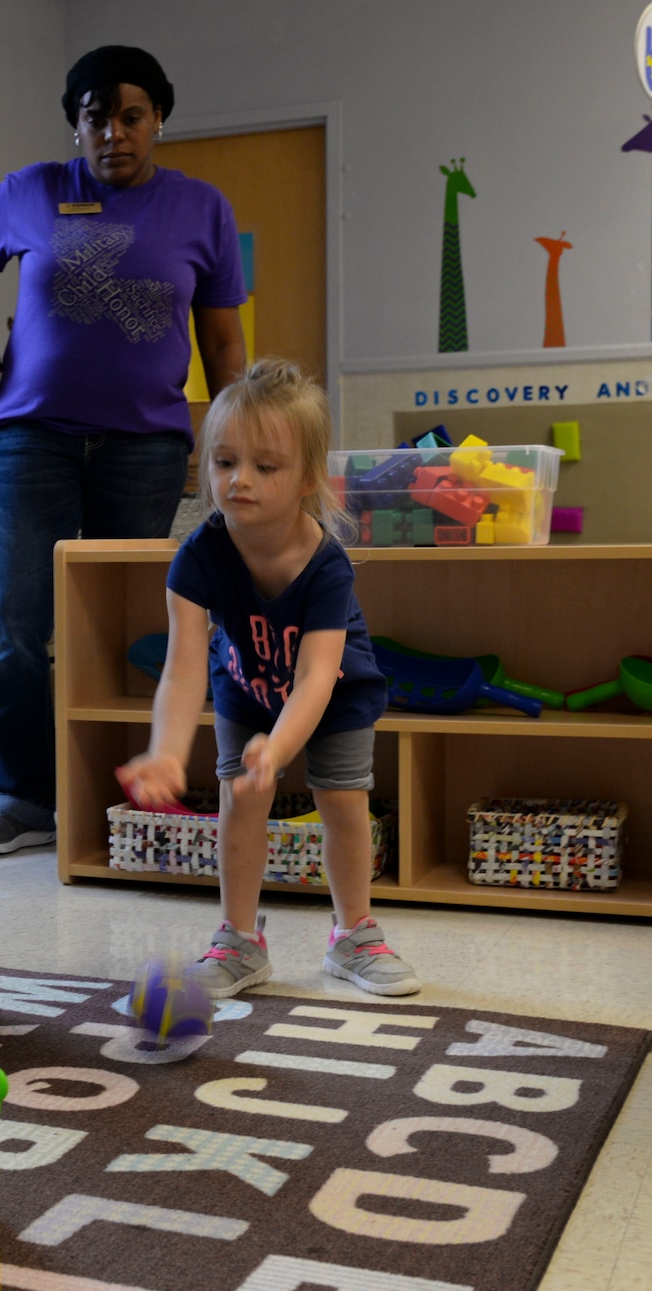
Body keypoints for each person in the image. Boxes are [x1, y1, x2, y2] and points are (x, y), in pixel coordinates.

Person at [0, 44, 248, 856]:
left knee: (125, 622)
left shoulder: (202, 209)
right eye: (95, 117)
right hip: (31, 439)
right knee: (16, 624)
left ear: (158, 120)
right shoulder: (30, 191)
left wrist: (238, 443)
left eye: (130, 116)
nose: (113, 132)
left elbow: (222, 340)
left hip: (145, 444)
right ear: (76, 125)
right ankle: (19, 796)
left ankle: (126, 786)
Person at [117, 360, 417, 999]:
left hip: (334, 693)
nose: (239, 480)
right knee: (242, 800)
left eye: (265, 466)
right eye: (224, 463)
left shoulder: (327, 563)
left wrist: (278, 751)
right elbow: (182, 666)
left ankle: (354, 934)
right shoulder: (198, 557)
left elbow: (314, 676)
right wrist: (167, 752)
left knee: (341, 801)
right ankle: (239, 940)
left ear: (307, 478)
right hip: (246, 685)